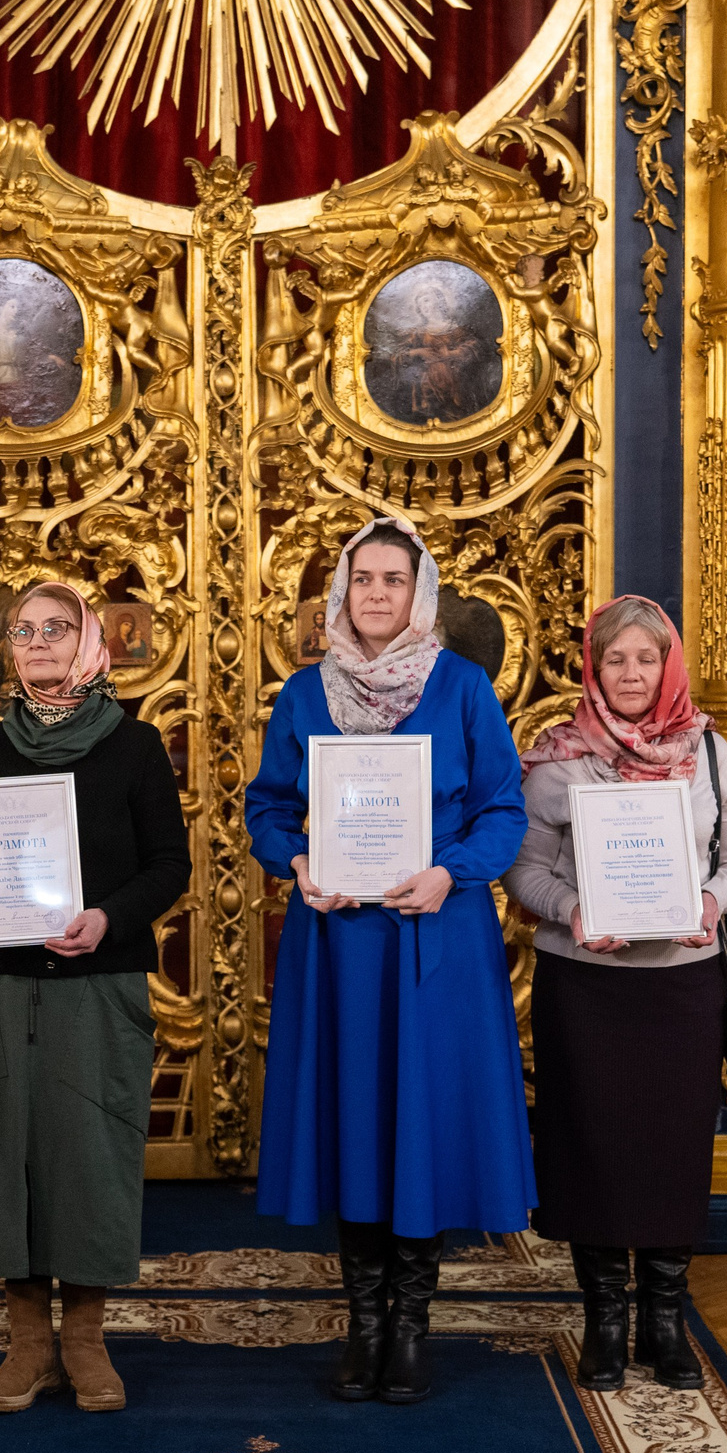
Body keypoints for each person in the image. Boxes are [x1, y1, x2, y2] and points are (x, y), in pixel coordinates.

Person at [244, 517, 534, 1406]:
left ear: (421, 594)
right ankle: (361, 1322)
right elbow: (268, 808)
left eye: (392, 581)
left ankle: (411, 1325)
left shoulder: (463, 687)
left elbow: (504, 812)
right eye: (361, 579)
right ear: (339, 593)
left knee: (422, 1118)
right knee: (356, 1118)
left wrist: (452, 872)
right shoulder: (303, 694)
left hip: (434, 937)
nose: (375, 594)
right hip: (339, 944)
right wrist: (294, 861)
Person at [506, 596, 727, 1393]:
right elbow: (523, 870)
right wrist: (571, 909)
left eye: (644, 659)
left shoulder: (711, 753)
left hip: (679, 988)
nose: (629, 673)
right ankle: (605, 1320)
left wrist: (711, 902)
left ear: (667, 666)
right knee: (589, 1149)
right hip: (584, 986)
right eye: (614, 658)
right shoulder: (555, 757)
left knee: (673, 1149)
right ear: (593, 665)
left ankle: (665, 1317)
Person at [0, 579, 191, 1413]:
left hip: (97, 980)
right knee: (9, 1155)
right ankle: (26, 1343)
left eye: (57, 627)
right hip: (6, 988)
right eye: (23, 630)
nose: (40, 640)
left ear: (89, 640)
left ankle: (84, 1338)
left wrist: (106, 918)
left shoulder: (135, 744)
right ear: (8, 650)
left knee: (89, 1156)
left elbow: (169, 865)